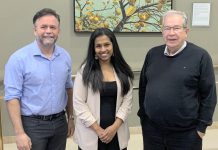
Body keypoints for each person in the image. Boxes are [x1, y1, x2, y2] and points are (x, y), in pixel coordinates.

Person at [138, 10, 217, 150]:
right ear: (162, 31)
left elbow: (209, 95)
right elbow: (143, 88)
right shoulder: (152, 54)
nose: (171, 33)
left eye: (176, 28)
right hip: (152, 132)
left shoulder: (201, 56)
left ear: (186, 31)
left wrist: (201, 127)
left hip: (186, 134)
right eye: (167, 28)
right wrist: (144, 118)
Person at [4, 8, 74, 150]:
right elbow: (12, 97)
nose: (48, 31)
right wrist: (19, 133)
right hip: (32, 125)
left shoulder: (65, 56)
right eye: (43, 27)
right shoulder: (18, 59)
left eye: (53, 27)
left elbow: (68, 88)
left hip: (60, 122)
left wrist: (71, 118)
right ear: (35, 30)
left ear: (58, 31)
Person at [73, 28, 134, 150]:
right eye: (98, 46)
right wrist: (98, 130)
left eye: (107, 45)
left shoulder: (122, 70)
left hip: (117, 135)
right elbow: (79, 103)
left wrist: (114, 128)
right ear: (93, 49)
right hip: (91, 134)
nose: (103, 49)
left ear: (113, 45)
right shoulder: (85, 71)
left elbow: (127, 101)